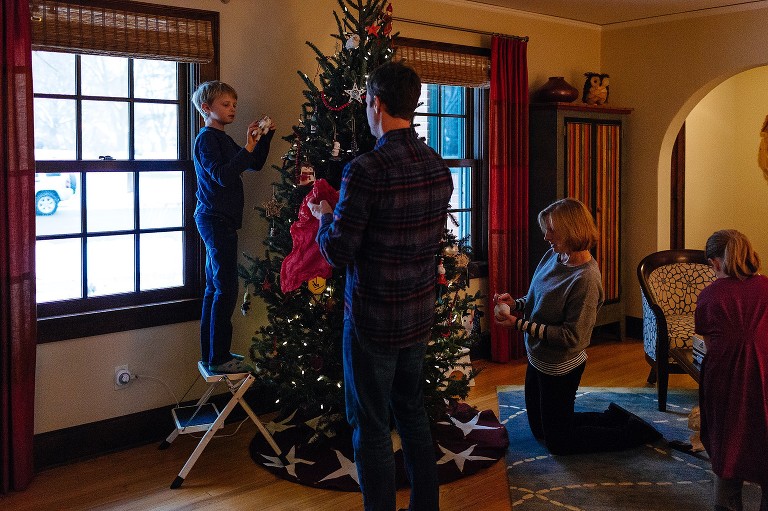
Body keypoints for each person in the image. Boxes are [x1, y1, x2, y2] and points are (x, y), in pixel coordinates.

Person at [308, 61, 452, 511]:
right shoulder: (436, 165)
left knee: (370, 426)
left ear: (376, 104)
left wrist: (325, 218)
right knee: (411, 413)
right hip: (419, 314)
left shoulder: (366, 169)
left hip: (372, 320)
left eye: (369, 103)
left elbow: (337, 252)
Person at [494, 197, 661, 455]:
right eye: (546, 228)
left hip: (561, 367)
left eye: (552, 229)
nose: (546, 236)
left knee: (559, 443)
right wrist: (515, 304)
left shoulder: (585, 279)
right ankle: (614, 416)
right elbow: (538, 299)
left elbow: (572, 336)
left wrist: (518, 324)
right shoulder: (555, 256)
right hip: (538, 357)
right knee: (541, 430)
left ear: (572, 230)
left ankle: (634, 432)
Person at [191, 80, 275, 374]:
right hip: (214, 219)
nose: (232, 109)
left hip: (220, 220)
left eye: (234, 105)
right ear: (206, 108)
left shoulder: (223, 140)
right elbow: (223, 176)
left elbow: (253, 164)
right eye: (226, 105)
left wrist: (262, 138)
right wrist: (249, 145)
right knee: (225, 287)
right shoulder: (206, 139)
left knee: (216, 288)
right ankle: (218, 357)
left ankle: (214, 354)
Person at [695, 229, 768, 511]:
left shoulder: (710, 296)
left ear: (715, 263)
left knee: (728, 443)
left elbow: (708, 339)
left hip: (726, 379)